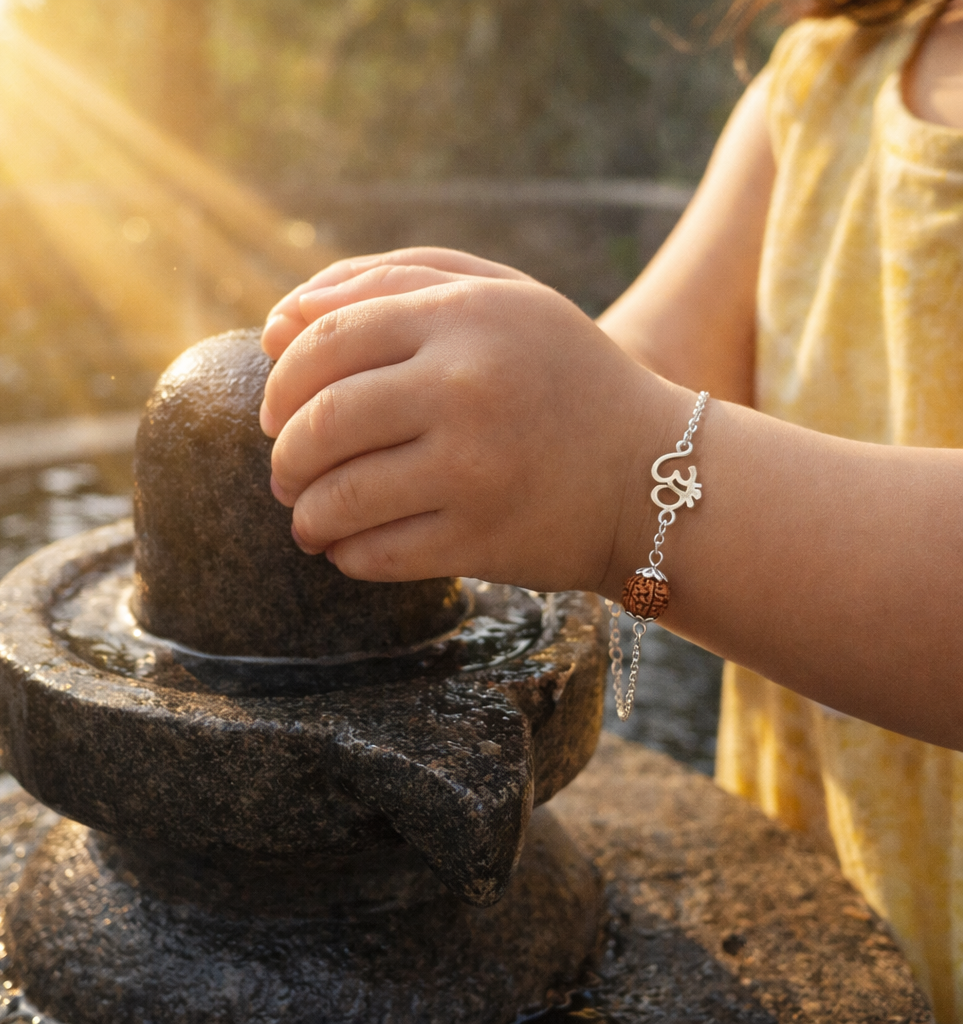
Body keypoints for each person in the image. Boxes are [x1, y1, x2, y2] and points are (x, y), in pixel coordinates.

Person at [258, 0, 963, 1016]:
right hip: (816, 934)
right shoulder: (821, 87)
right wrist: (502, 388)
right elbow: (654, 363)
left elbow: (635, 446)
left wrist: (625, 480)